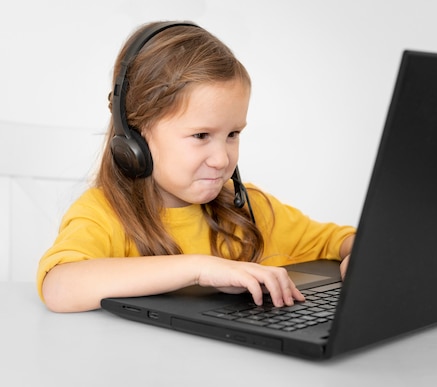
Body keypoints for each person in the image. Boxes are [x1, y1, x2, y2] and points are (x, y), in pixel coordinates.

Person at [37, 21, 355, 313]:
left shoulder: (249, 209)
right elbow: (59, 287)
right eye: (201, 135)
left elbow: (338, 239)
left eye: (233, 134)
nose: (222, 159)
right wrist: (199, 268)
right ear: (134, 136)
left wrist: (358, 258)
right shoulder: (104, 214)